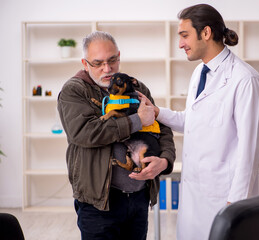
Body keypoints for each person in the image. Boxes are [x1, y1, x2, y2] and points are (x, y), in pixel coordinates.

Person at [139, 4, 259, 240]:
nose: (180, 44)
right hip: (194, 195)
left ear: (206, 33)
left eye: (184, 35)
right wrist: (157, 112)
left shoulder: (245, 80)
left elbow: (250, 151)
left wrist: (235, 205)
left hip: (223, 198)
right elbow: (193, 120)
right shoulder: (200, 72)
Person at [57, 31, 175, 240]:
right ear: (85, 63)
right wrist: (136, 120)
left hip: (139, 198)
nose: (107, 68)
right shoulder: (74, 91)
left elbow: (162, 127)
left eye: (112, 60)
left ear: (119, 56)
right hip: (99, 203)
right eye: (98, 63)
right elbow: (85, 133)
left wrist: (165, 160)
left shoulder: (137, 86)